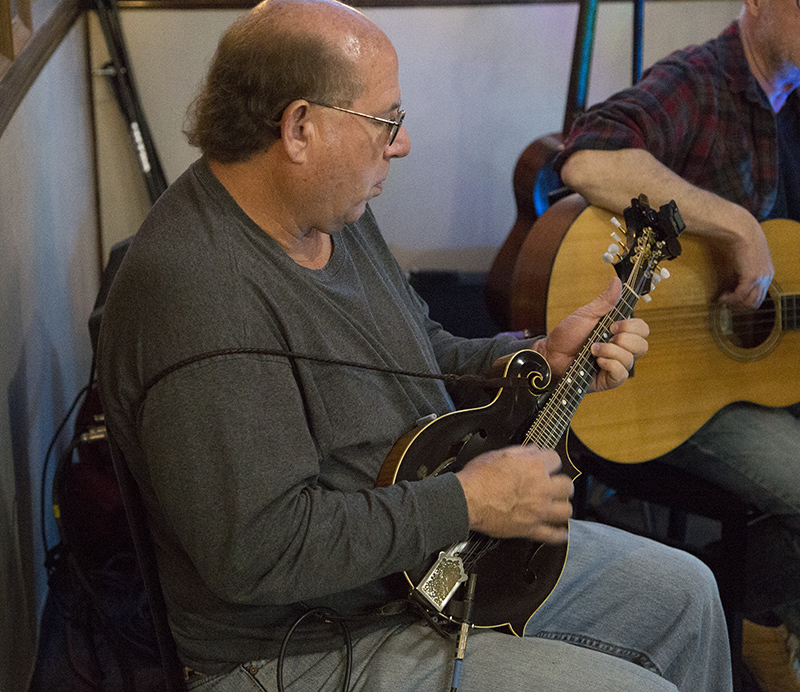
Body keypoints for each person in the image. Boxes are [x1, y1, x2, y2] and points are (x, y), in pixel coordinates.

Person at [96, 1, 733, 690]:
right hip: (303, 642)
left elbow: (413, 347)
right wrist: (466, 502)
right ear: (300, 129)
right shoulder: (197, 293)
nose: (400, 145)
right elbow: (257, 550)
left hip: (432, 563)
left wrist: (532, 357)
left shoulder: (330, 213)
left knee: (689, 596)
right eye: (385, 122)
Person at [554, 0, 800, 690]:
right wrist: (736, 226)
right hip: (656, 380)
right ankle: (750, 614)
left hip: (754, 371)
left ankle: (748, 600)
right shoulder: (702, 79)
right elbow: (586, 159)